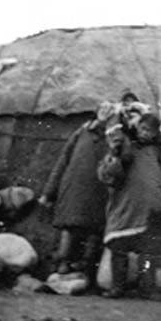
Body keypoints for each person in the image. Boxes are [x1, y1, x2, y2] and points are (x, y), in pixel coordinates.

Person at [97, 113, 161, 299]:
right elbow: (108, 175)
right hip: (126, 204)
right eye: (143, 129)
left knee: (149, 249)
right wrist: (114, 153)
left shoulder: (157, 151)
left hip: (150, 205)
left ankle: (148, 288)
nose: (145, 134)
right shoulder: (124, 147)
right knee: (118, 246)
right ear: (137, 127)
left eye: (150, 131)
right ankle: (117, 287)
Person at [39, 101, 116, 279]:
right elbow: (63, 161)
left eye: (110, 110)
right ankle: (62, 264)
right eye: (103, 109)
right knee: (69, 225)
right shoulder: (82, 132)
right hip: (73, 186)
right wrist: (48, 192)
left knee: (94, 228)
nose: (106, 112)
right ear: (97, 111)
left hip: (99, 189)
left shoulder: (115, 136)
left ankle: (86, 269)